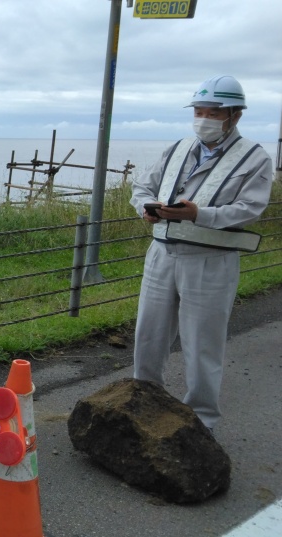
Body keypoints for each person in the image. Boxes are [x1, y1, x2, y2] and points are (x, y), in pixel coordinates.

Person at [130, 75, 273, 430]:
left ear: (234, 115)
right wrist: (146, 207)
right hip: (162, 252)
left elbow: (250, 208)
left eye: (213, 112)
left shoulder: (255, 158)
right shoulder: (179, 147)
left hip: (210, 259)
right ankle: (143, 403)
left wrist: (200, 214)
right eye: (198, 110)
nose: (203, 118)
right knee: (149, 335)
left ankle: (201, 422)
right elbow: (143, 184)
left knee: (202, 344)